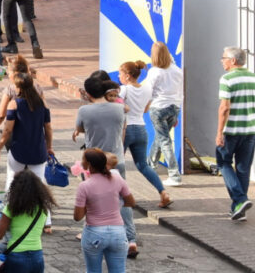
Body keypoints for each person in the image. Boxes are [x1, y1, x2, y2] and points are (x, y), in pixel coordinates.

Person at [74, 71, 136, 256]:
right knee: (123, 198)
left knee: (92, 198)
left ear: (88, 94)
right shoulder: (119, 108)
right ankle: (130, 239)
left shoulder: (84, 110)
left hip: (95, 162)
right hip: (117, 159)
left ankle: (93, 231)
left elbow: (79, 128)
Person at [0, 72, 54, 233]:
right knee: (40, 184)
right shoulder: (42, 103)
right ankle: (46, 222)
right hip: (38, 150)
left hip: (18, 150)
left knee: (11, 182)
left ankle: (6, 217)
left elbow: (7, 130)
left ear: (18, 87)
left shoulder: (15, 104)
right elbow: (48, 128)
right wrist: (49, 146)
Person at [118, 60, 173, 208]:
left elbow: (118, 108)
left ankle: (121, 197)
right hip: (141, 129)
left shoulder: (124, 90)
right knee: (143, 165)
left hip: (126, 129)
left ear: (128, 75)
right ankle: (163, 192)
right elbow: (145, 109)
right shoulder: (147, 89)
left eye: (121, 73)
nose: (119, 76)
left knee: (118, 163)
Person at [74, 148, 135, 273]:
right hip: (118, 232)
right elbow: (131, 202)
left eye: (83, 160)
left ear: (89, 164)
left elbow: (77, 216)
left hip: (94, 233)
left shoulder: (84, 186)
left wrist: (89, 205)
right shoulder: (117, 179)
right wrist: (115, 207)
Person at [216, 46, 255, 220]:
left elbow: (224, 107)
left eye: (223, 58)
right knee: (243, 168)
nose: (221, 61)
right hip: (250, 130)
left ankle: (240, 199)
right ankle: (238, 210)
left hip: (231, 131)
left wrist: (219, 132)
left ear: (232, 61)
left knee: (223, 162)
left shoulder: (227, 79)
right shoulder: (253, 78)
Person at [0, 169, 54, 273]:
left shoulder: (11, 208)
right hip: (37, 257)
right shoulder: (43, 209)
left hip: (16, 257)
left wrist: (1, 221)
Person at [147, 41, 184, 187]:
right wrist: (178, 112)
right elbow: (181, 92)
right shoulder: (177, 70)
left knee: (164, 140)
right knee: (161, 137)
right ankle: (151, 166)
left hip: (158, 108)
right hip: (173, 107)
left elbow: (147, 92)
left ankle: (174, 175)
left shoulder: (154, 72)